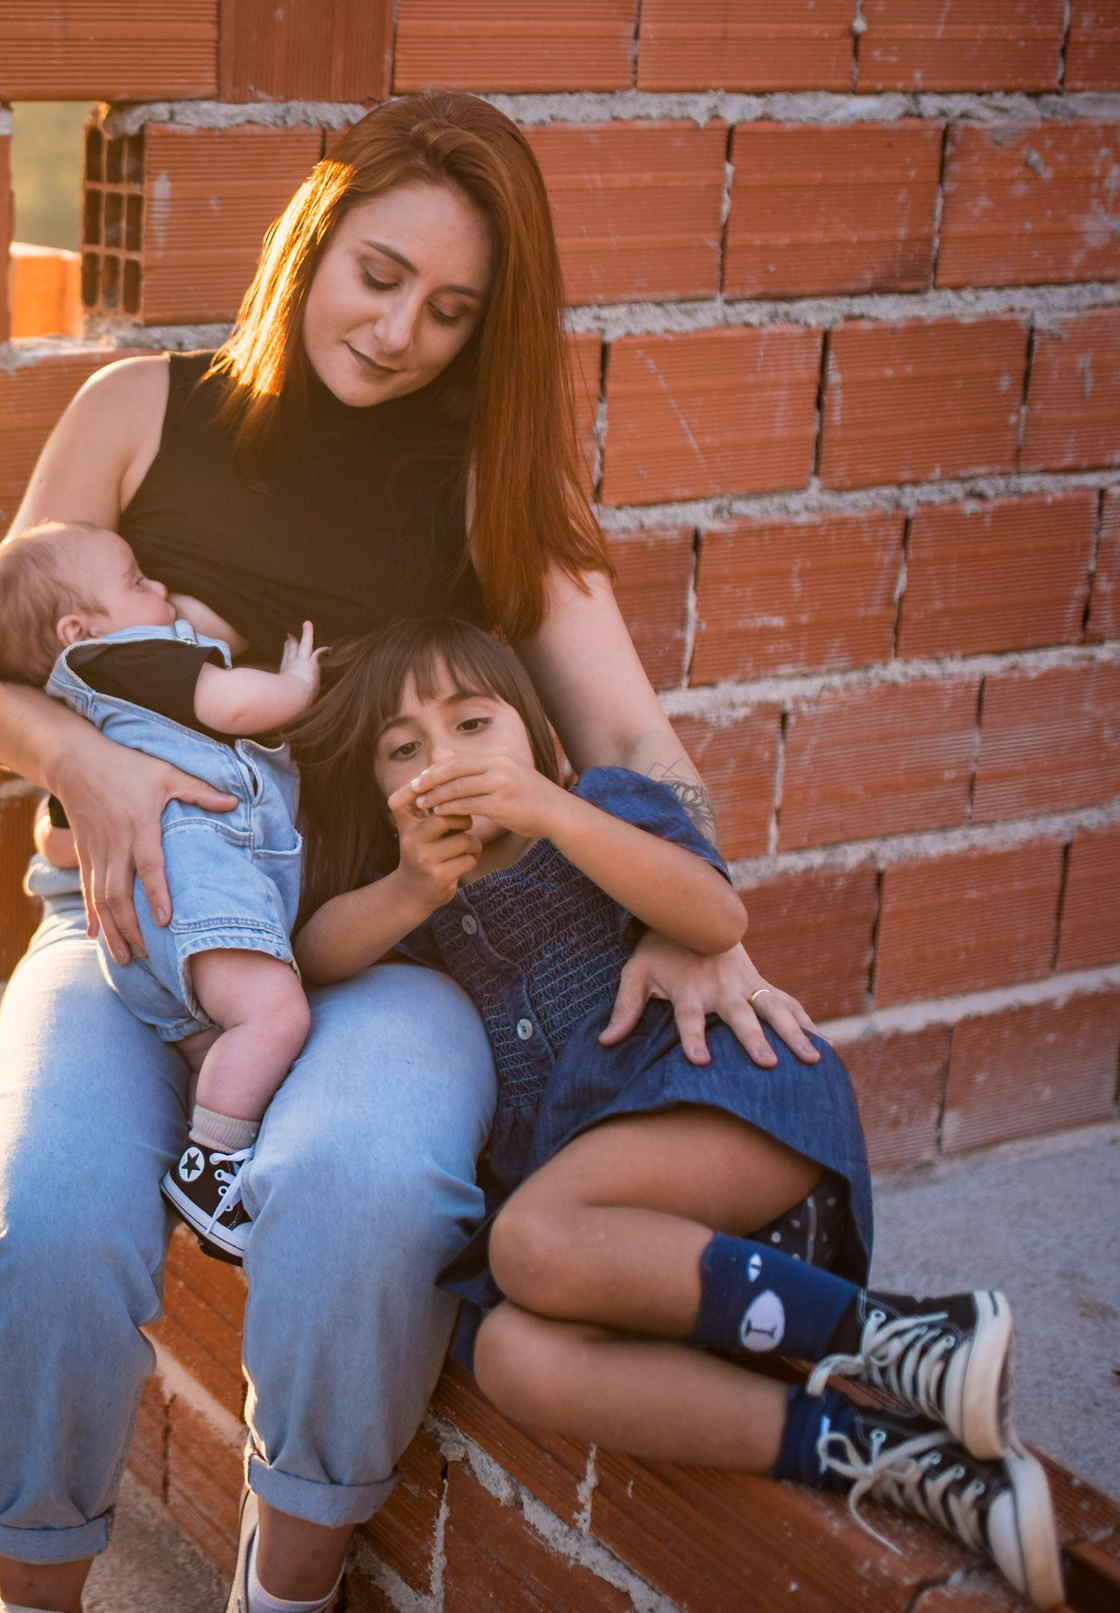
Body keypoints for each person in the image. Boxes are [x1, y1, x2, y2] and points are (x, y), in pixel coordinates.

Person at [0, 91, 835, 1613]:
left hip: (396, 954)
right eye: (378, 272)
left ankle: (285, 1591)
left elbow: (632, 735)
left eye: (451, 308)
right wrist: (84, 766)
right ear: (313, 237)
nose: (402, 327)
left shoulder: (491, 491)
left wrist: (703, 919)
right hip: (135, 923)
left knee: (367, 1200)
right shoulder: (142, 408)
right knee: (47, 1237)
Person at [287, 616, 1061, 1608]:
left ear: (533, 735)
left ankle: (905, 1336)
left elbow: (715, 915)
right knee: (514, 1354)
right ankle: (881, 1451)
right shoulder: (425, 905)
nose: (446, 758)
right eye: (405, 749)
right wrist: (402, 885)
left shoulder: (598, 807)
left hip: (730, 1111)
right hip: (636, 1248)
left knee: (528, 1242)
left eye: (474, 723)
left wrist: (559, 814)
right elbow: (318, 953)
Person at [0, 520, 321, 1259]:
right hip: (198, 894)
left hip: (137, 934)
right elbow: (228, 704)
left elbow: (62, 840)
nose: (158, 586)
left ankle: (219, 1133)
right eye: (136, 581)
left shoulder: (91, 710)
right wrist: (295, 683)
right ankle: (210, 1170)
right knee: (275, 1018)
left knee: (221, 1039)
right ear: (79, 627)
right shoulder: (137, 659)